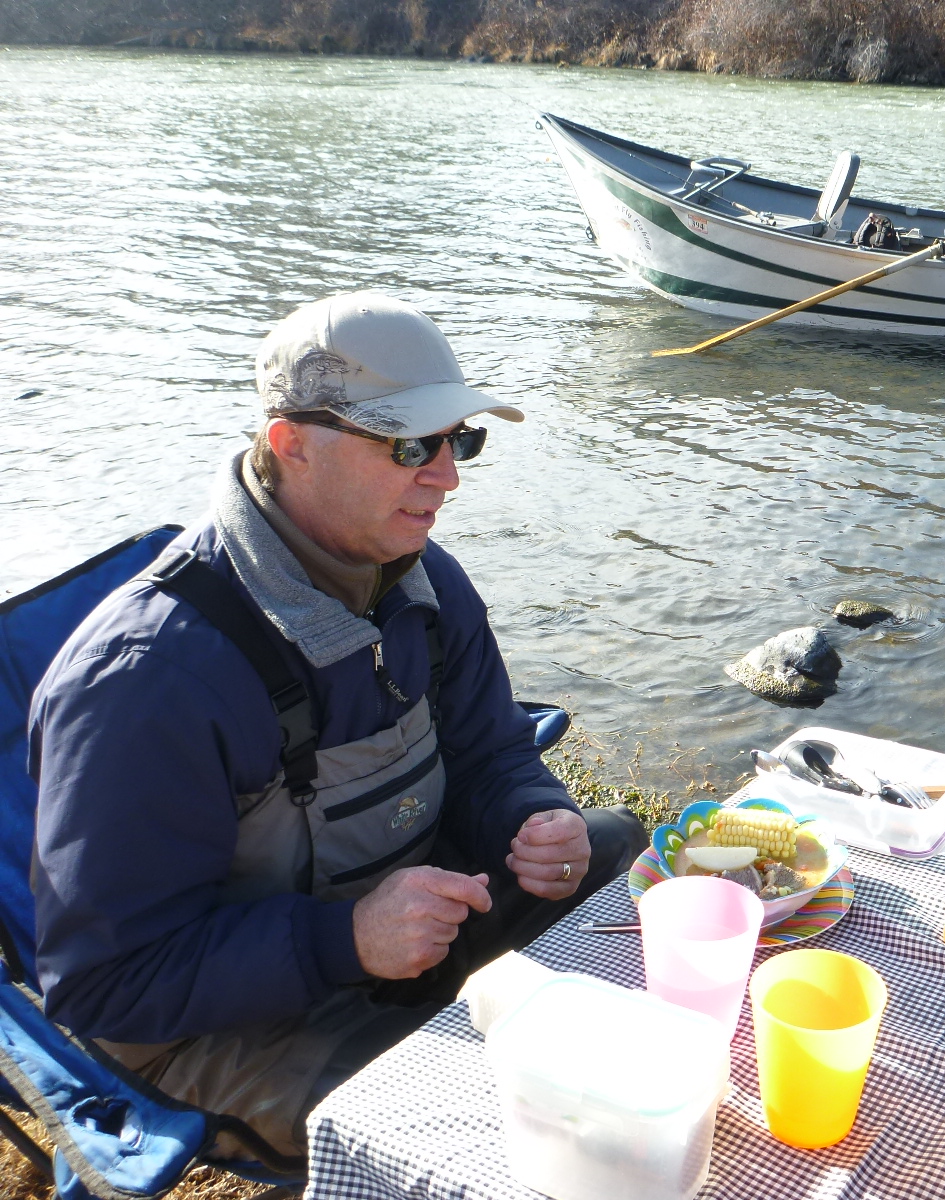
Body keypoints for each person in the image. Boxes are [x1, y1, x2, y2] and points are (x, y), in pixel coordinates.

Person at [28, 292, 647, 1157]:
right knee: (477, 1122)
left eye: (458, 440)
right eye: (409, 446)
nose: (447, 476)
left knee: (621, 856)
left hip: (404, 921)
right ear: (291, 445)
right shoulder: (147, 682)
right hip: (222, 1027)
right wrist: (347, 940)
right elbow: (107, 986)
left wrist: (532, 817)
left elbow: (491, 751)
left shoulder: (423, 577)